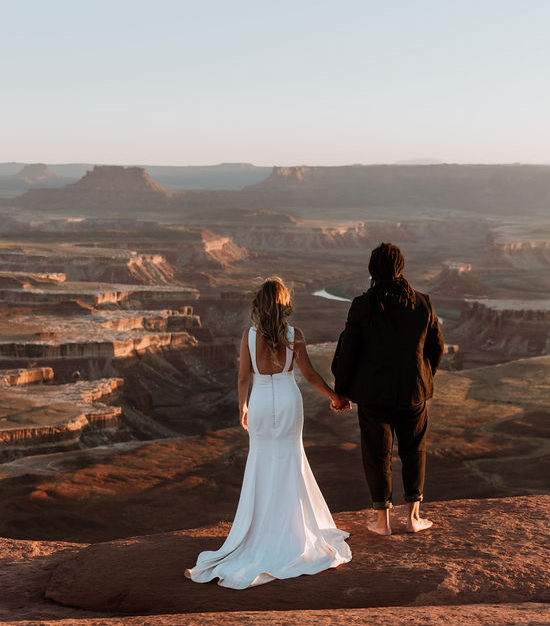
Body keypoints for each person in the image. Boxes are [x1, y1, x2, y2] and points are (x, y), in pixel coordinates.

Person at [185, 277, 352, 589]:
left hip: (260, 402)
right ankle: (294, 530)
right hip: (289, 401)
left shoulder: (249, 336)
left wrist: (243, 407)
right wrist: (335, 397)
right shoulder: (294, 335)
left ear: (259, 305)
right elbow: (310, 374)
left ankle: (260, 529)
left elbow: (242, 377)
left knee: (262, 463)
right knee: (290, 460)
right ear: (285, 304)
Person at [332, 243, 444, 535]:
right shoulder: (422, 303)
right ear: (401, 268)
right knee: (414, 450)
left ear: (372, 271)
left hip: (373, 395)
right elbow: (436, 347)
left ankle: (382, 522)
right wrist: (424, 376)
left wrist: (341, 391)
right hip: (413, 392)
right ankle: (413, 519)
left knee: (377, 454)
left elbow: (348, 352)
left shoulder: (362, 305)